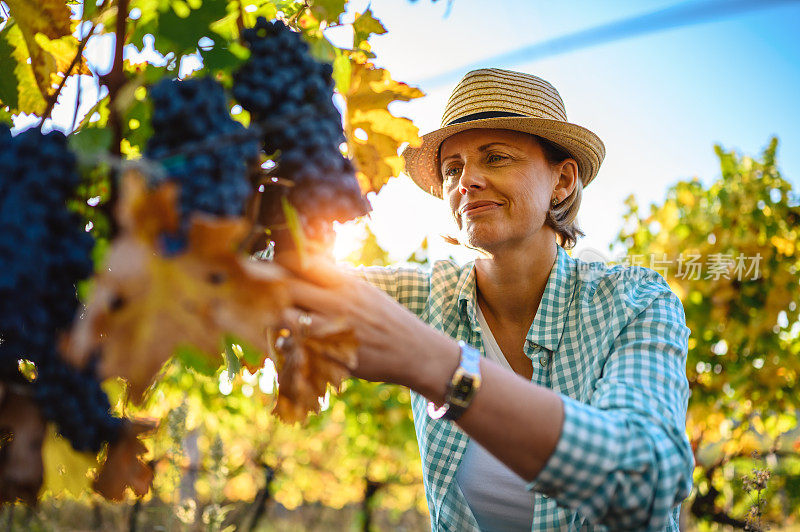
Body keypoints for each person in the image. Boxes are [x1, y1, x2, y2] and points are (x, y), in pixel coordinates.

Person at [283, 68, 694, 531]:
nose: (467, 181)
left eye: (496, 158)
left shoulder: (634, 303)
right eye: (452, 168)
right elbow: (287, 283)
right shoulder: (425, 295)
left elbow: (646, 481)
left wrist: (442, 367)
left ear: (562, 181)